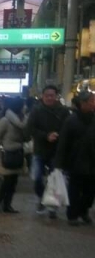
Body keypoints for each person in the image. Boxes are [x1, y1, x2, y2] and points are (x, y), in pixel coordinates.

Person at [25, 84, 69, 216]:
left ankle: (52, 207)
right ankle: (42, 198)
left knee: (54, 179)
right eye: (47, 95)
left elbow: (67, 128)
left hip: (56, 151)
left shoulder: (63, 111)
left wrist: (58, 135)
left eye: (52, 95)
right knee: (37, 178)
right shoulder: (36, 110)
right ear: (42, 96)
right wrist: (46, 136)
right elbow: (30, 128)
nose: (49, 98)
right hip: (40, 150)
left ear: (56, 96)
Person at [54, 89, 95, 225]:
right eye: (92, 101)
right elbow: (63, 142)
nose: (94, 103)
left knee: (90, 191)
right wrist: (59, 163)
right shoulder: (71, 120)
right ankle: (72, 215)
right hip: (76, 160)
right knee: (74, 190)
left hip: (92, 161)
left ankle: (83, 210)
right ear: (82, 103)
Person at [0, 96, 26, 213]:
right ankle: (2, 203)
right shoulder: (5, 121)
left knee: (13, 181)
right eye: (23, 105)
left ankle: (6, 204)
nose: (25, 108)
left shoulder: (23, 121)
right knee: (8, 181)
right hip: (7, 154)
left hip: (17, 153)